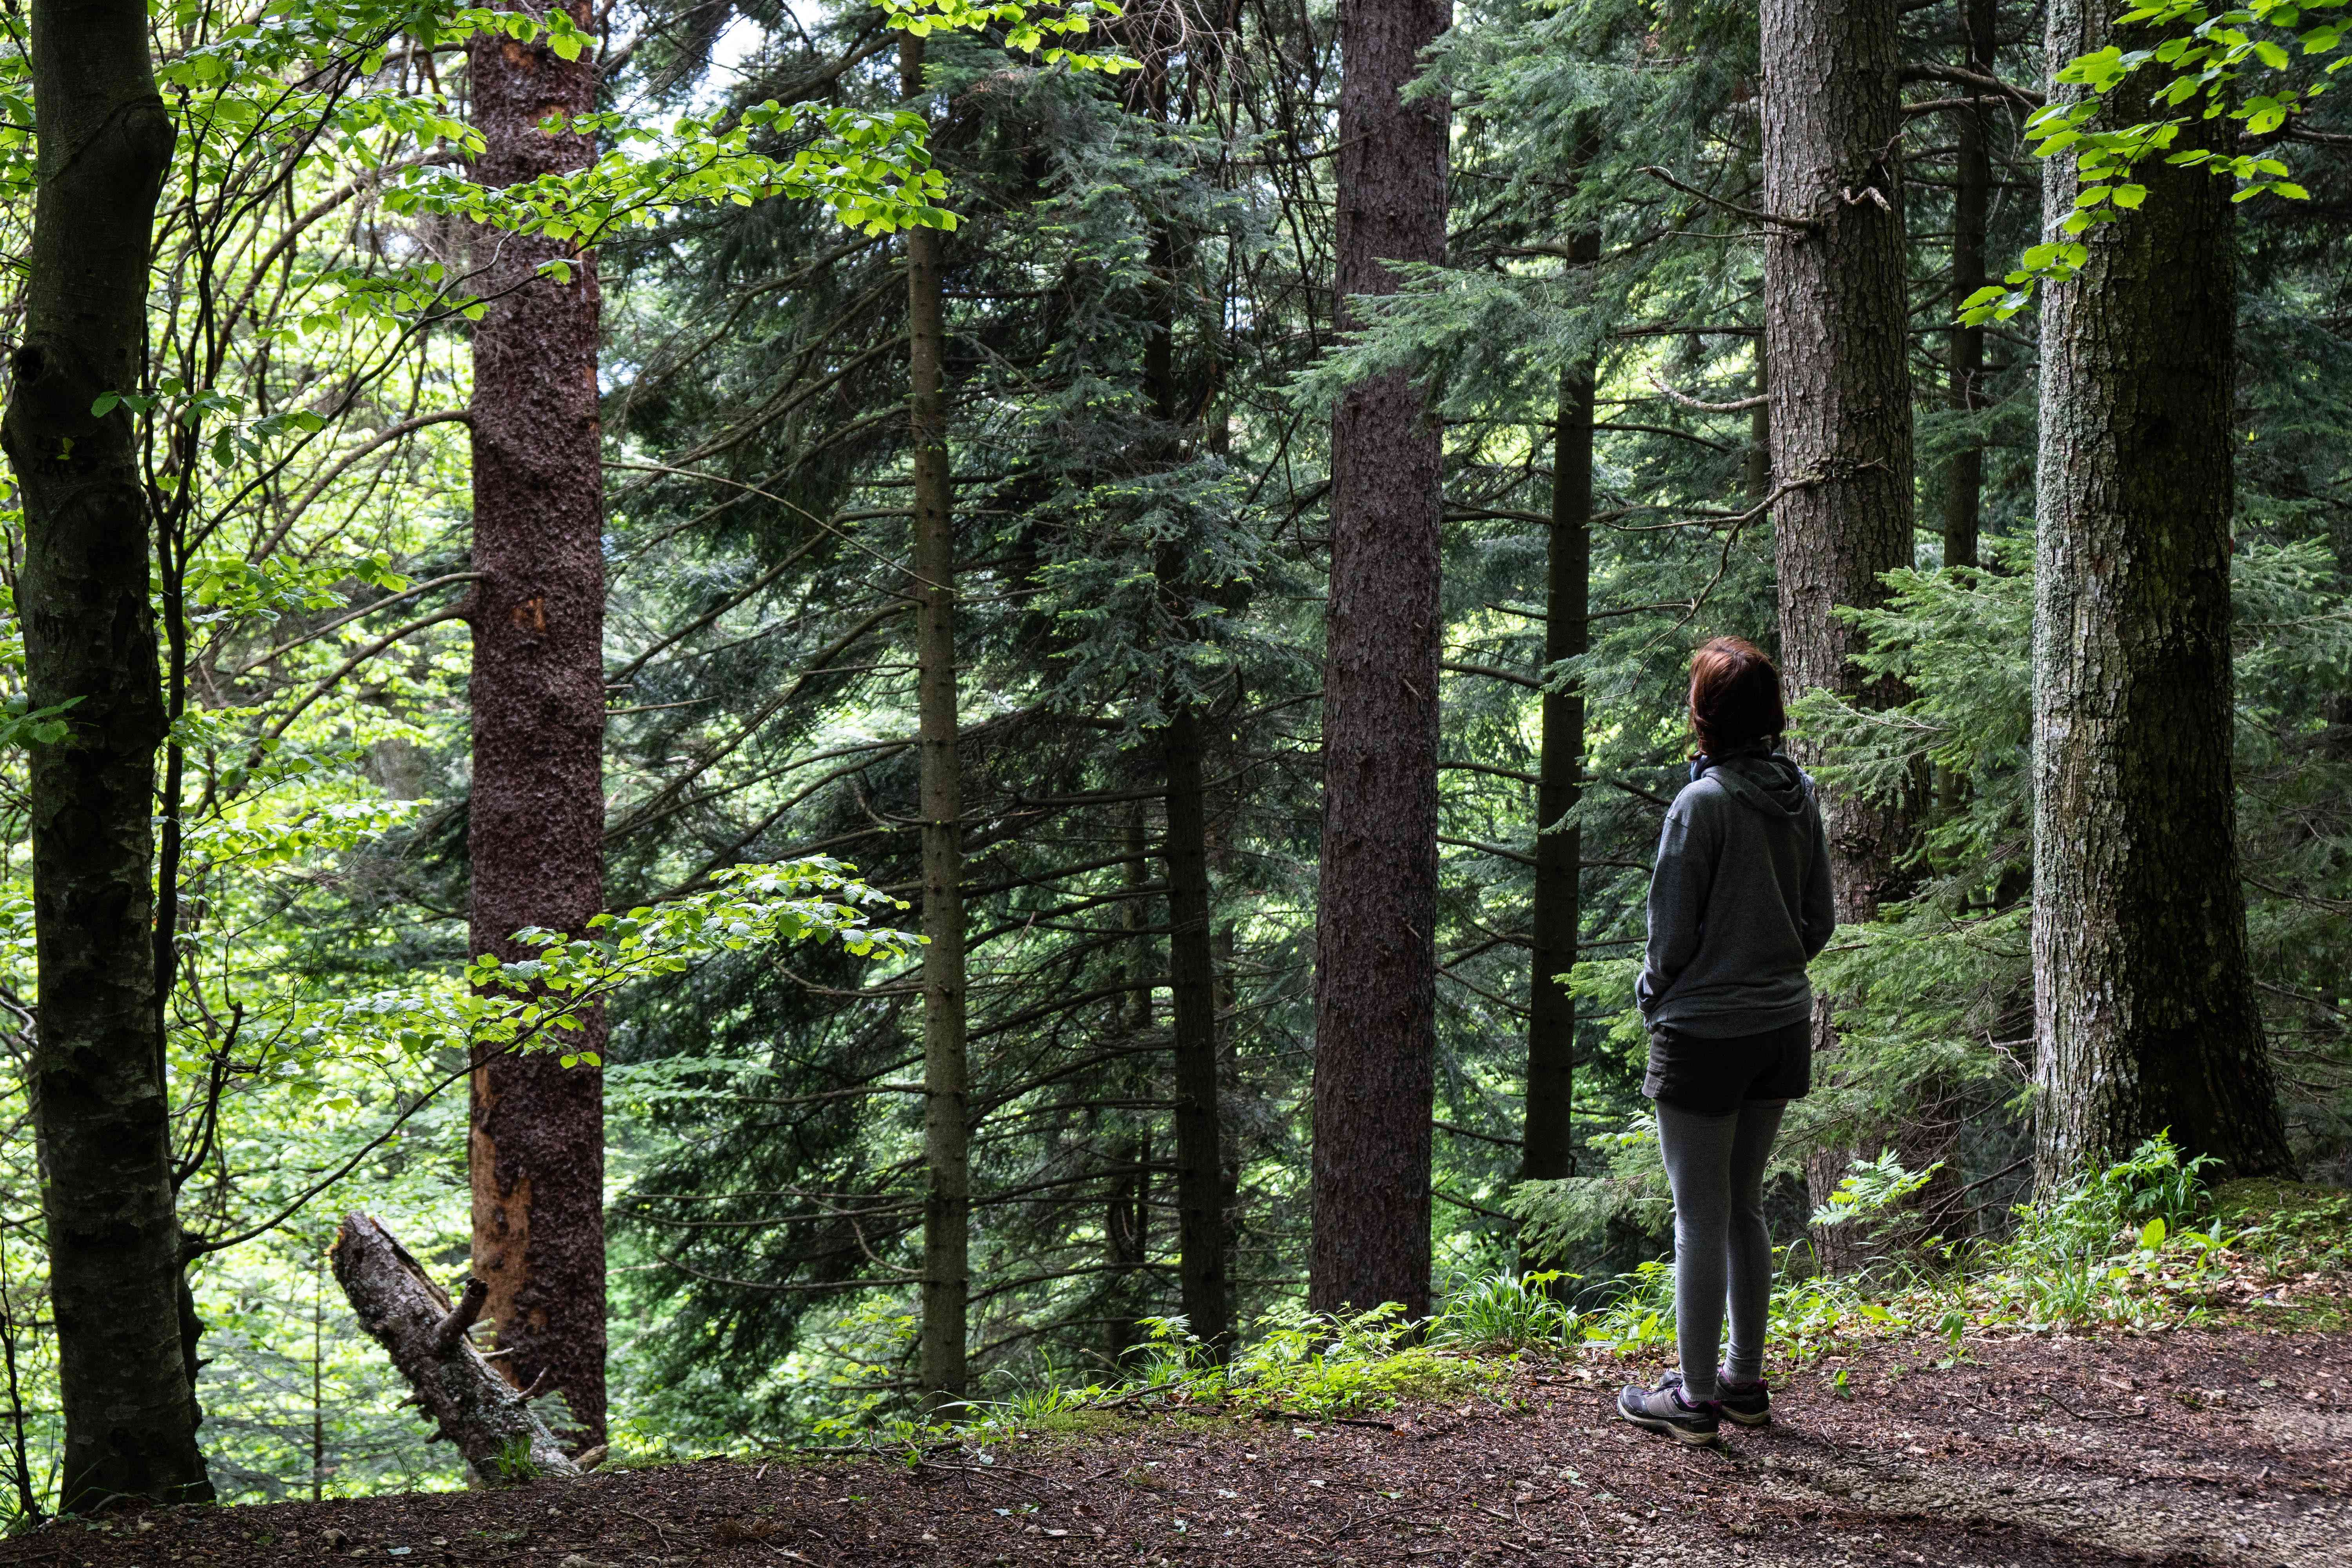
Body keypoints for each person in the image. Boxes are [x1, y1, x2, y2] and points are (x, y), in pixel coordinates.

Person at [1615, 636, 1833, 1447]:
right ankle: (1743, 1382)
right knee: (1743, 1206)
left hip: (1704, 1033)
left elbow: (1668, 938)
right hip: (1780, 1028)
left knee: (1697, 1216)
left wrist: (1657, 994)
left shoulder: (1699, 806)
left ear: (1705, 719)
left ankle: (1695, 1400)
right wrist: (1770, 968)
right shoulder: (1798, 792)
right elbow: (1820, 920)